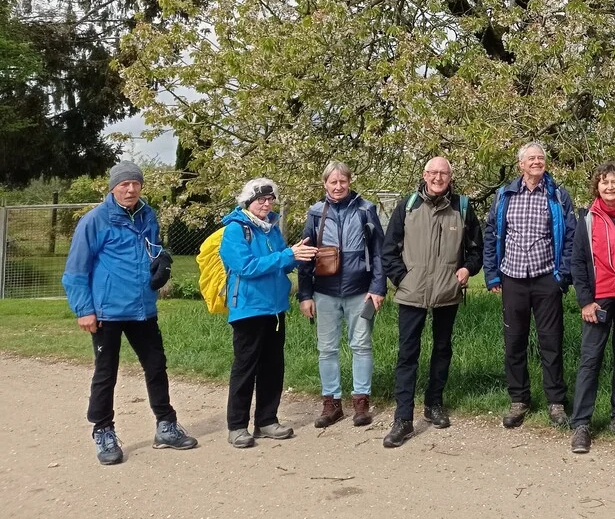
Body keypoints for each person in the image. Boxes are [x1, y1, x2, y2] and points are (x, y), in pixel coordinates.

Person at [62, 160, 199, 465]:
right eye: (124, 184)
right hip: (106, 312)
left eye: (135, 183)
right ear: (113, 188)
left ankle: (166, 426)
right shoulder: (94, 221)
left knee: (156, 366)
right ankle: (103, 431)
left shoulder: (147, 215)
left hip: (142, 309)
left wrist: (163, 260)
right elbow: (74, 271)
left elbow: (154, 247)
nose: (131, 189)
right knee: (106, 373)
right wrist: (84, 309)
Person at [380, 157, 483, 448]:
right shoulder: (408, 206)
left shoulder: (462, 208)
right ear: (425, 175)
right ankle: (403, 419)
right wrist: (403, 279)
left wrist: (466, 270)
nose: (438, 178)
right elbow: (389, 250)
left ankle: (434, 403)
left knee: (442, 349)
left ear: (451, 176)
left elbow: (477, 250)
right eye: (433, 172)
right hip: (412, 292)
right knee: (407, 355)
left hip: (447, 292)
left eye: (444, 173)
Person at [483, 141, 576, 429]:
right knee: (514, 342)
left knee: (551, 342)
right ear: (520, 165)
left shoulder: (558, 195)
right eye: (531, 158)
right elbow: (491, 234)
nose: (537, 162)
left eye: (540, 158)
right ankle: (519, 399)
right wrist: (492, 274)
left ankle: (556, 402)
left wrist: (563, 276)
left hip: (546, 277)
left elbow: (571, 237)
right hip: (512, 278)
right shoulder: (505, 195)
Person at [220, 178, 318, 448]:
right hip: (249, 309)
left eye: (270, 199)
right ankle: (237, 426)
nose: (266, 204)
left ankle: (266, 420)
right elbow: (246, 267)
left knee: (273, 366)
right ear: (248, 202)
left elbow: (281, 263)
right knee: (245, 367)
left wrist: (295, 255)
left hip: (275, 308)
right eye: (261, 199)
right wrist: (287, 256)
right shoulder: (235, 230)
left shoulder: (271, 229)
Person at [296, 162, 386, 427]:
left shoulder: (365, 209)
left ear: (349, 181)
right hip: (324, 291)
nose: (338, 187)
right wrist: (305, 294)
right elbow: (305, 256)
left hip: (360, 291)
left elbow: (379, 252)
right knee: (326, 349)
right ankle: (331, 403)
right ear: (325, 184)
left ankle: (361, 402)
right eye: (333, 182)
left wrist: (378, 287)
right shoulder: (315, 213)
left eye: (342, 182)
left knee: (361, 346)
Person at [568, 162, 615, 454]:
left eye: (614, 182)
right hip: (600, 297)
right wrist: (585, 300)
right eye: (604, 182)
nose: (610, 187)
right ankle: (581, 423)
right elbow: (577, 262)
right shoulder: (587, 218)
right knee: (590, 359)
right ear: (596, 187)